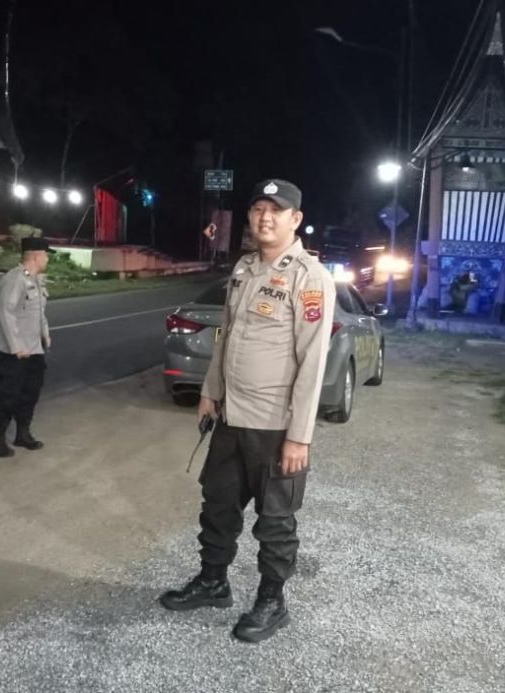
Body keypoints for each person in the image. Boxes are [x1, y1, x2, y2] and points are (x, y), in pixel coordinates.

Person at [159, 179, 335, 643]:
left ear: (296, 219)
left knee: (275, 521)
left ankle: (272, 602)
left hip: (274, 426)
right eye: (258, 209)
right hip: (231, 418)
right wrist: (210, 391)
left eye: (276, 210)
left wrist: (299, 436)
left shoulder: (309, 277)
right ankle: (213, 582)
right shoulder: (244, 268)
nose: (265, 217)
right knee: (218, 505)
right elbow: (227, 336)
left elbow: (313, 362)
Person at [0, 236, 53, 458]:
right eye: (46, 255)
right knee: (9, 395)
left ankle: (22, 434)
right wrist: (16, 346)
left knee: (30, 393)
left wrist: (45, 333)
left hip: (34, 349)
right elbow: (6, 313)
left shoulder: (36, 280)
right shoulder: (15, 279)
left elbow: (39, 312)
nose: (47, 259)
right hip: (14, 352)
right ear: (36, 255)